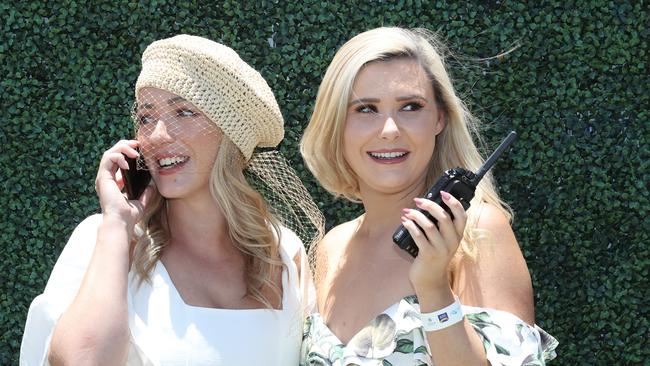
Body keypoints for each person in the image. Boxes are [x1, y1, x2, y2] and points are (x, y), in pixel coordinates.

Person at [20, 34, 323, 365]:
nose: (158, 135)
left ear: (230, 136)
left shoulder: (283, 253)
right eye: (147, 117)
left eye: (184, 112)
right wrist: (118, 224)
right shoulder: (107, 241)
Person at [299, 27, 557, 365]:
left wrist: (434, 287)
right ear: (336, 125)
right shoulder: (333, 246)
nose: (389, 130)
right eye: (365, 109)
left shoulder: (476, 232)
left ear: (439, 118)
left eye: (410, 106)